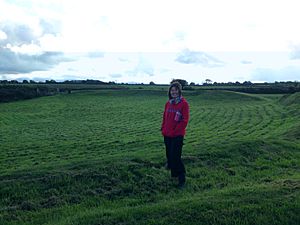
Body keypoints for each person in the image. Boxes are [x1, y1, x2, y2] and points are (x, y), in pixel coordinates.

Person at [161, 82, 190, 188]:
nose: (174, 92)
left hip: (177, 135)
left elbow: (184, 120)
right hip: (167, 134)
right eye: (172, 90)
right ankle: (174, 175)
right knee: (169, 156)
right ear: (170, 92)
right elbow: (165, 117)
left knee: (175, 156)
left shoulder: (184, 104)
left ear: (179, 91)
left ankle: (182, 178)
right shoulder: (168, 103)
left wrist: (175, 131)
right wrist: (163, 128)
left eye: (176, 90)